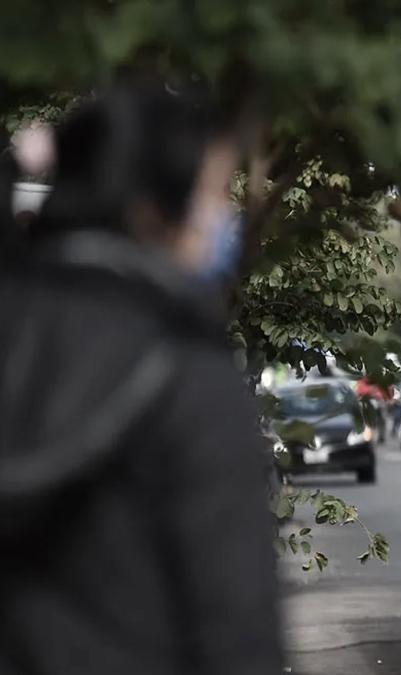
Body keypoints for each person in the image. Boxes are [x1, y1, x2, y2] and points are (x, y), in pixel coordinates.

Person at [0, 84, 281, 675]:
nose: (223, 218)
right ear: (149, 210)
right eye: (211, 195)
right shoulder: (189, 382)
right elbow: (237, 633)